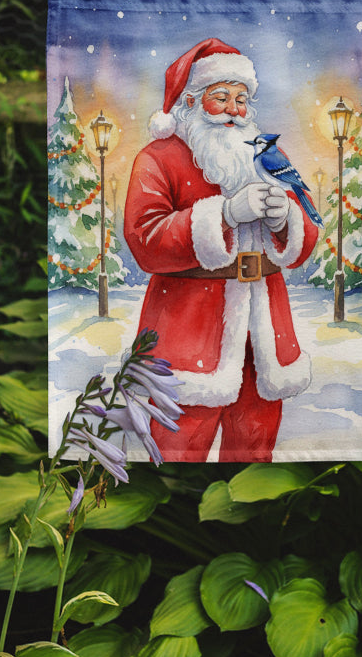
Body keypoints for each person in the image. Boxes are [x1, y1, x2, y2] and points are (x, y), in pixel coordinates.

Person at [123, 37, 319, 462]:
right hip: (188, 331)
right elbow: (144, 238)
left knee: (256, 446)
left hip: (264, 331)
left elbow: (309, 227)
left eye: (242, 98)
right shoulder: (158, 158)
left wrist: (286, 218)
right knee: (176, 447)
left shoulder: (268, 152)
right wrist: (224, 215)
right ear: (191, 101)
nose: (234, 108)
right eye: (221, 97)